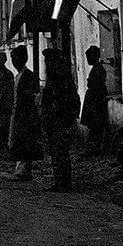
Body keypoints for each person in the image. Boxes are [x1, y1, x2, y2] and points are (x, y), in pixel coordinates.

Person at [39, 47, 80, 192]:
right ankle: (60, 181)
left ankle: (63, 182)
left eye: (48, 61)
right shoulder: (54, 79)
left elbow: (73, 100)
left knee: (60, 152)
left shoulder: (61, 80)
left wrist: (68, 118)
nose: (46, 64)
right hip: (53, 121)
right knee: (57, 153)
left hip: (59, 120)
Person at [8, 46, 44, 181]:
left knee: (25, 140)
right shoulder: (18, 75)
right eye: (13, 59)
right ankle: (21, 168)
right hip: (18, 112)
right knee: (18, 140)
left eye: (16, 59)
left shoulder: (28, 76)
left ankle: (23, 170)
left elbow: (32, 96)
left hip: (26, 113)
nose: (14, 61)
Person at [80, 45, 109, 156]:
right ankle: (93, 148)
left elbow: (95, 86)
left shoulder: (98, 69)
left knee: (96, 125)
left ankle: (93, 149)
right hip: (94, 99)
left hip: (96, 100)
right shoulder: (97, 69)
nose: (88, 60)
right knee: (94, 125)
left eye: (89, 57)